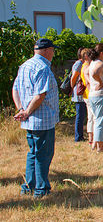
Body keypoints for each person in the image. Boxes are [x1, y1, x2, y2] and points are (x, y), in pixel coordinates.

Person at [12, 38, 59, 198]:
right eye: (53, 50)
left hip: (30, 120)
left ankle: (28, 186)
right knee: (43, 155)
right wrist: (27, 111)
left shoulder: (25, 66)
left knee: (33, 153)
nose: (53, 53)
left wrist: (21, 109)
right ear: (46, 51)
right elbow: (40, 95)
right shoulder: (42, 68)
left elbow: (15, 89)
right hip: (42, 120)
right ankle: (41, 189)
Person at [88, 43, 103, 152]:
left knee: (96, 120)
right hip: (102, 95)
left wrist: (93, 84)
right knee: (101, 121)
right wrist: (100, 82)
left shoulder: (91, 63)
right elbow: (94, 73)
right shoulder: (100, 64)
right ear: (101, 53)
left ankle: (95, 144)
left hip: (93, 94)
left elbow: (88, 74)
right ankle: (100, 146)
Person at [70, 48, 86, 142]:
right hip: (78, 93)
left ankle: (80, 135)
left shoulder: (82, 64)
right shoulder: (79, 64)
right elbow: (74, 78)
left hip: (81, 93)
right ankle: (78, 137)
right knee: (80, 115)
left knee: (82, 115)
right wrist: (73, 88)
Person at [81, 48, 94, 146]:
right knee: (92, 117)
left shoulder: (86, 66)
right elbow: (88, 82)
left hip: (88, 94)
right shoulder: (86, 67)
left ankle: (92, 138)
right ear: (86, 56)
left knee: (91, 116)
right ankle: (91, 138)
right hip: (89, 94)